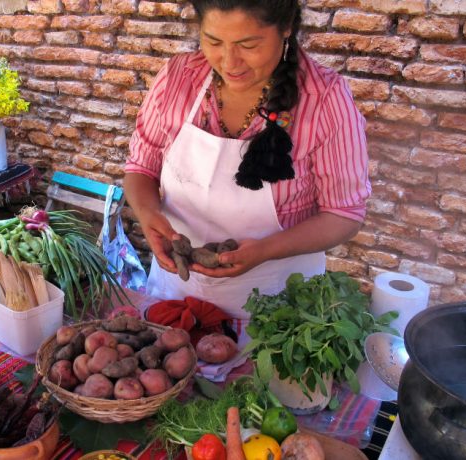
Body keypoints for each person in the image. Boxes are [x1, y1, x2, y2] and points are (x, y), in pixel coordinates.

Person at [124, 0, 370, 342]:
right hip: (178, 295)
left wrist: (264, 251)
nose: (229, 62)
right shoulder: (179, 78)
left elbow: (344, 214)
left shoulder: (324, 99)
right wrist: (148, 214)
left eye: (248, 45)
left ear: (285, 28)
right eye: (213, 42)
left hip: (277, 310)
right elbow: (140, 168)